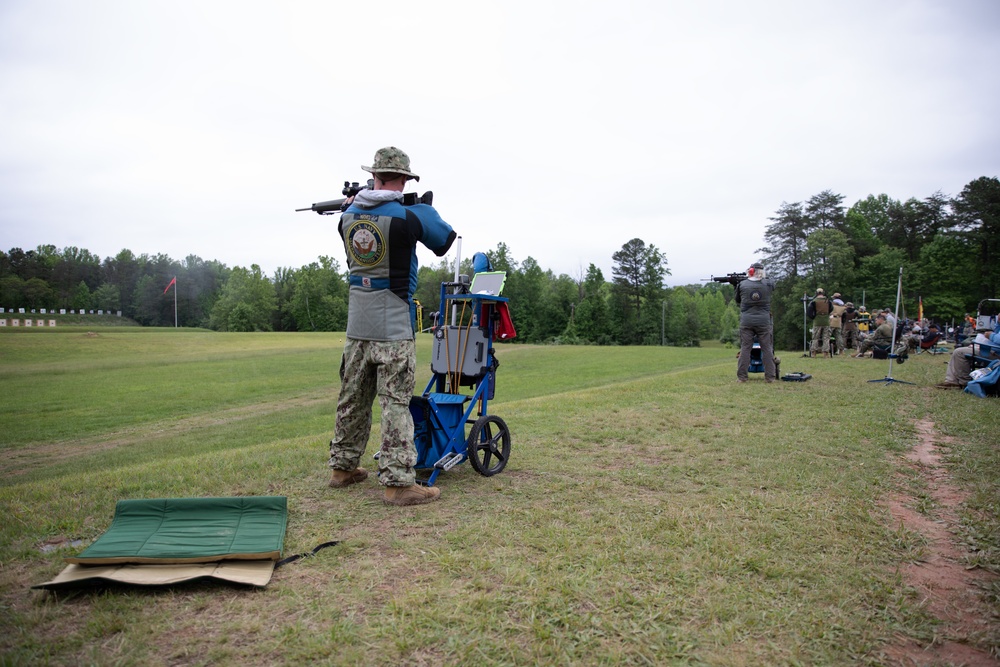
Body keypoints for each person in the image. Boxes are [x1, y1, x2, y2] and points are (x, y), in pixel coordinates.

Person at [327, 147, 457, 506]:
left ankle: (342, 467)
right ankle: (398, 483)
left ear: (374, 176)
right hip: (394, 324)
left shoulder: (346, 218)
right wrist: (424, 208)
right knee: (395, 403)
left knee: (352, 399)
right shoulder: (409, 217)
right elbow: (444, 240)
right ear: (404, 180)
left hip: (357, 324)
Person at [735, 261, 776, 383]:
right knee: (767, 348)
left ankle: (742, 377)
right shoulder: (768, 284)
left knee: (745, 348)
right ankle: (770, 377)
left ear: (751, 271)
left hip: (746, 321)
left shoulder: (742, 284)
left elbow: (737, 299)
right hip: (764, 320)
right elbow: (771, 283)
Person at [936, 323, 1000, 389]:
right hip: (989, 350)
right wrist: (998, 323)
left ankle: (964, 382)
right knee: (959, 351)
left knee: (959, 352)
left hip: (995, 354)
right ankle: (952, 381)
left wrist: (991, 335)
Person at [807, 288, 832, 357]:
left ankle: (814, 352)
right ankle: (825, 353)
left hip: (817, 320)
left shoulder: (814, 301)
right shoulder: (828, 301)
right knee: (826, 337)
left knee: (815, 337)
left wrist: (813, 317)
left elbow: (809, 311)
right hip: (826, 321)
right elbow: (831, 309)